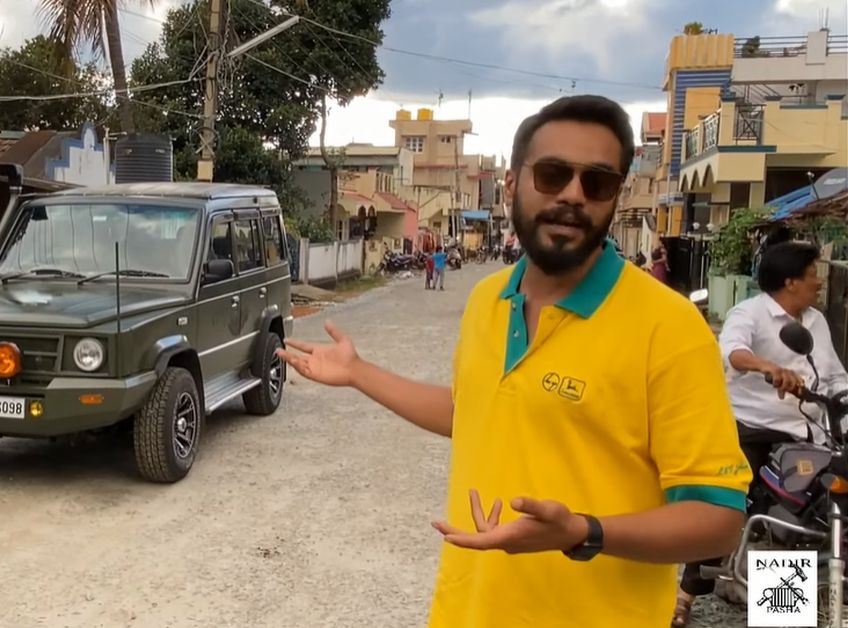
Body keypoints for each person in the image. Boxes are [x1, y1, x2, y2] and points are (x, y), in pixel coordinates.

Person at [276, 95, 749, 628]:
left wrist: (585, 532)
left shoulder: (670, 327)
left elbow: (721, 519)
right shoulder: (487, 299)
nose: (573, 194)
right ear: (511, 184)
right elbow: (471, 412)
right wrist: (360, 373)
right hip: (466, 611)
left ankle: (791, 610)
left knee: (792, 570)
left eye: (597, 182)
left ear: (615, 196)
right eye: (552, 174)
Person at [672, 240, 848, 627]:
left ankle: (784, 611)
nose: (819, 281)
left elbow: (834, 375)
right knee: (726, 506)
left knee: (802, 517)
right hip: (750, 429)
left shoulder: (815, 322)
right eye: (812, 274)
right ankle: (686, 594)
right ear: (790, 281)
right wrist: (768, 367)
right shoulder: (747, 313)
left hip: (806, 433)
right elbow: (732, 351)